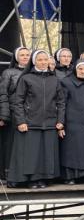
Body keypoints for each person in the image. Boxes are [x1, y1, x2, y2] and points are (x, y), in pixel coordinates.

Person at [8, 50, 65, 188]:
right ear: (34, 61)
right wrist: (21, 121)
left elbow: (61, 102)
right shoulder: (26, 78)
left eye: (45, 59)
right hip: (30, 122)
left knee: (46, 154)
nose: (43, 62)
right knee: (31, 155)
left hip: (50, 123)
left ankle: (43, 179)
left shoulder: (54, 79)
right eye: (40, 60)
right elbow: (18, 101)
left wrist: (60, 121)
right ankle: (31, 180)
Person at [59, 59, 84, 184]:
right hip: (72, 123)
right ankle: (70, 177)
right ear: (75, 69)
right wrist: (61, 123)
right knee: (72, 151)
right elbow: (61, 104)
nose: (83, 71)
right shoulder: (66, 82)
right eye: (80, 69)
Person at [0, 47, 30, 181]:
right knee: (10, 145)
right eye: (22, 55)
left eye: (27, 55)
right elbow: (3, 95)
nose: (25, 57)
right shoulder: (8, 73)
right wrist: (4, 116)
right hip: (12, 115)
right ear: (16, 57)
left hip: (29, 115)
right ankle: (7, 174)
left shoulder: (33, 73)